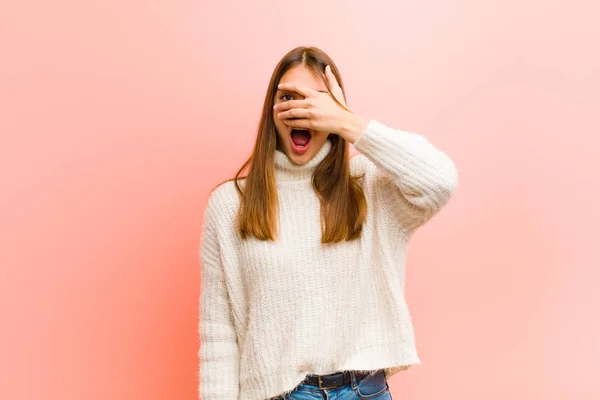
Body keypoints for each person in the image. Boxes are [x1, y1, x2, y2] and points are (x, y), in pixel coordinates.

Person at [198, 46, 459, 400]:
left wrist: (347, 122)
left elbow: (438, 181)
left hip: (365, 391)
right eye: (288, 97)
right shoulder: (231, 203)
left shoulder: (369, 185)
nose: (302, 110)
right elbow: (219, 334)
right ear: (271, 110)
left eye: (317, 101)